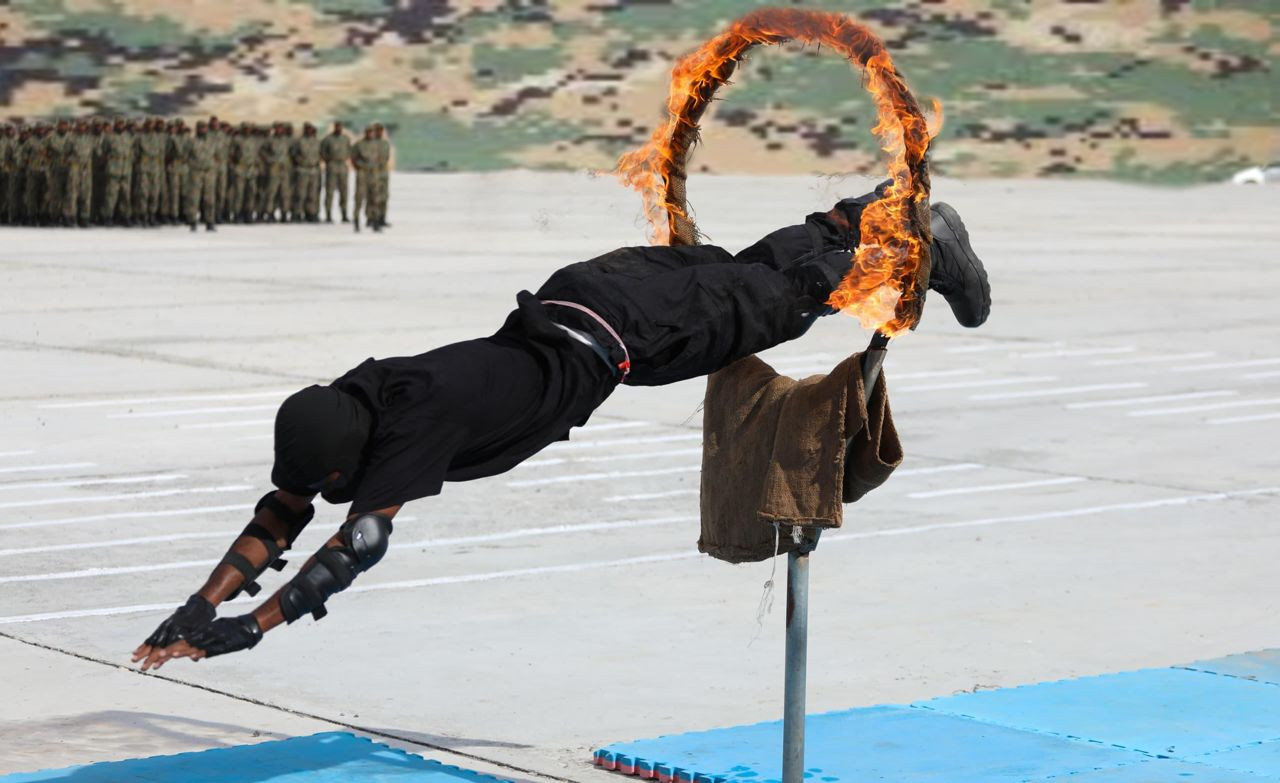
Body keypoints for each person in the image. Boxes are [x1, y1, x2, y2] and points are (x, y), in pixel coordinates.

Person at [131, 188, 992, 667]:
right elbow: (281, 511)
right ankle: (858, 215)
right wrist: (198, 604)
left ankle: (923, 239)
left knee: (781, 301)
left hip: (628, 329)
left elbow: (353, 545)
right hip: (585, 297)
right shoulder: (363, 394)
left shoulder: (411, 429)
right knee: (751, 278)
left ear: (343, 460)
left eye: (324, 484)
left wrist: (251, 626)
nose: (317, 494)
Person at [319, 121, 350, 223]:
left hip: (343, 166)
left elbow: (349, 150)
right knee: (330, 192)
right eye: (337, 127)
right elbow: (322, 152)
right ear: (334, 127)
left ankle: (344, 214)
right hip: (332, 166)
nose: (338, 129)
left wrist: (344, 158)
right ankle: (328, 215)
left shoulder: (345, 139)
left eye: (340, 127)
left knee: (344, 192)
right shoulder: (327, 139)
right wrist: (329, 160)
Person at [290, 122, 322, 222]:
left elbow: (321, 153)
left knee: (312, 194)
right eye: (307, 129)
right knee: (300, 193)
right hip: (302, 170)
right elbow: (293, 154)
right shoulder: (299, 141)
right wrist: (300, 162)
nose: (309, 131)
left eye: (310, 129)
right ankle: (297, 213)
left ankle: (311, 213)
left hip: (313, 170)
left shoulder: (316, 141)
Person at [350, 125, 377, 233]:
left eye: (371, 132)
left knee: (373, 197)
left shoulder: (375, 144)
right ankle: (356, 220)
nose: (370, 134)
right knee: (359, 197)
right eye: (368, 132)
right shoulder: (359, 145)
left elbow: (378, 157)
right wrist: (358, 167)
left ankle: (372, 220)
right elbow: (353, 158)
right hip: (362, 173)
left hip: (373, 173)